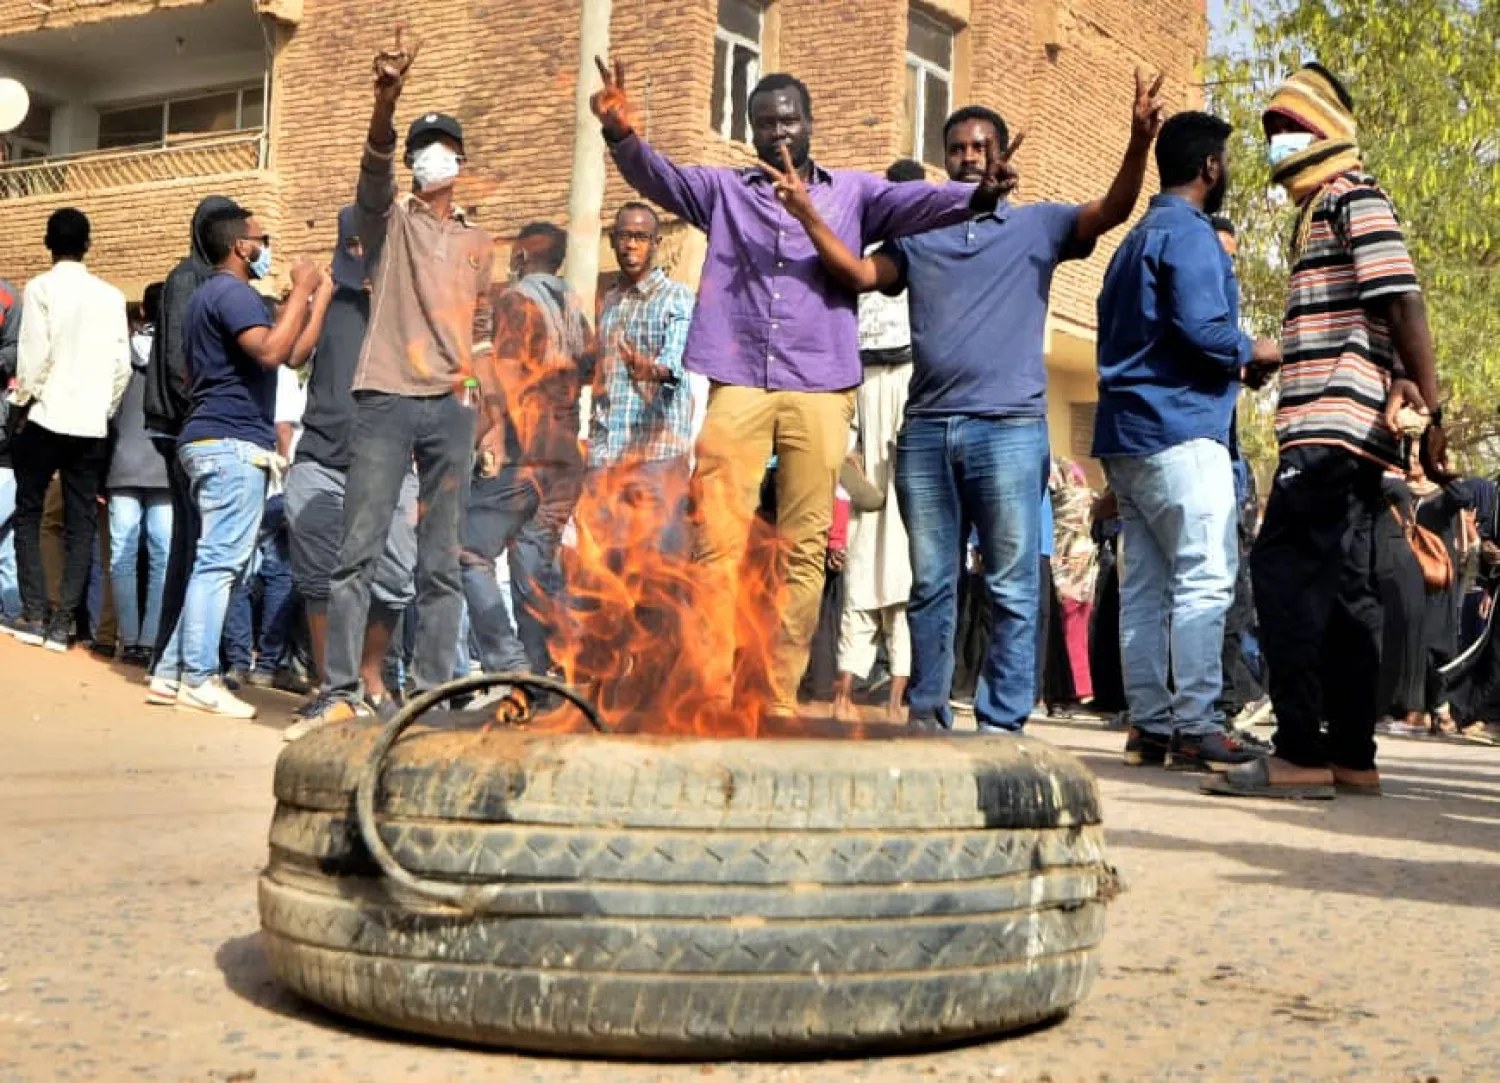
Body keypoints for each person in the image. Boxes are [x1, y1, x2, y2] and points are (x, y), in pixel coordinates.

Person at [591, 58, 1013, 720]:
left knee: (803, 547)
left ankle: (776, 696)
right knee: (717, 541)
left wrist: (981, 195)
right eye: (765, 124)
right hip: (738, 385)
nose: (779, 133)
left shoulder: (854, 195)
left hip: (821, 385)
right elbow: (661, 178)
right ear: (751, 133)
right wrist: (621, 135)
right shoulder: (724, 191)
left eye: (789, 119)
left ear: (810, 123)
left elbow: (922, 201)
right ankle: (710, 691)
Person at [774, 73, 1165, 732]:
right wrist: (808, 215)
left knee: (1012, 584)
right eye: (957, 148)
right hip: (926, 433)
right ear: (943, 157)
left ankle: (1001, 727)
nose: (969, 156)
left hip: (1009, 431)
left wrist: (1137, 140)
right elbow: (860, 274)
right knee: (930, 583)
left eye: (982, 146)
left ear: (1002, 154)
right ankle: (927, 716)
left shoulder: (1040, 226)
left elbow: (1113, 209)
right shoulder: (920, 236)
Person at [1208, 63, 1444, 799]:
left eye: (1293, 130)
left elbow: (1403, 300)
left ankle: (1300, 749)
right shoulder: (1319, 211)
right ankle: (1351, 755)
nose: (1281, 145)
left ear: (1328, 133)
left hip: (1333, 426)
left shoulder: (1354, 196)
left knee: (1282, 575)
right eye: (1273, 131)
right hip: (1340, 431)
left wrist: (1430, 409)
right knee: (1345, 594)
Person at [314, 27, 495, 726]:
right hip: (386, 397)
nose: (430, 158)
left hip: (451, 407)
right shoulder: (388, 222)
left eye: (440, 147)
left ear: (461, 161)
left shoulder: (479, 242)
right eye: (421, 149)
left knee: (441, 559)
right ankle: (341, 691)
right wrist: (385, 102)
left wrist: (481, 412)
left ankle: (428, 692)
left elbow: (478, 336)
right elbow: (372, 168)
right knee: (357, 550)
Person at [1092, 110, 1279, 772]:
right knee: (1204, 576)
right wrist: (1254, 349)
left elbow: (1158, 332)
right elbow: (1201, 327)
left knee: (1144, 583)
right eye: (1224, 163)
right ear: (1209, 168)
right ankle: (1198, 725)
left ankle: (1149, 724)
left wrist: (1233, 359)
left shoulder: (1132, 241)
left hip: (1126, 434)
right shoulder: (1191, 235)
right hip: (1180, 430)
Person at [150, 204, 329, 718]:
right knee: (221, 563)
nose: (266, 245)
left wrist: (316, 301)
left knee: (214, 561)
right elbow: (273, 350)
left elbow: (290, 356)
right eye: (261, 237)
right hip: (230, 443)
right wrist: (300, 288)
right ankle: (200, 678)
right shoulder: (231, 293)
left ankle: (170, 673)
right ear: (241, 247)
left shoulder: (218, 296)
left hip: (214, 441)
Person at [281, 207, 420, 737]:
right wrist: (315, 294)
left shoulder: (409, 304)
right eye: (354, 244)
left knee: (395, 576)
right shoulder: (330, 298)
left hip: (389, 463)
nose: (362, 253)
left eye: (373, 244)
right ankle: (329, 689)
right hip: (320, 458)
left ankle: (369, 676)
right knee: (320, 579)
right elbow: (292, 352)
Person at [461, 222, 593, 688]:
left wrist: (490, 434)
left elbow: (508, 377)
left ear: (520, 255)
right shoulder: (573, 307)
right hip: (565, 457)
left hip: (528, 454)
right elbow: (592, 367)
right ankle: (540, 680)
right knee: (532, 571)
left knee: (468, 551)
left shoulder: (517, 302)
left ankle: (507, 662)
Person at [9, 208, 131, 650]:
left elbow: (35, 357)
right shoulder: (112, 296)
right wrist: (104, 407)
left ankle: (35, 612)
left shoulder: (40, 288)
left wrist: (23, 403)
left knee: (30, 512)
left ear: (48, 243)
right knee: (81, 523)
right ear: (87, 245)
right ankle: (64, 625)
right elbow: (121, 367)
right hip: (90, 422)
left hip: (45, 414)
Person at [831, 158, 924, 725]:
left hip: (914, 404)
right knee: (865, 551)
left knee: (908, 558)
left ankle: (897, 692)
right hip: (865, 398)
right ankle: (845, 685)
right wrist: (846, 436)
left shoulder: (938, 264)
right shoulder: (866, 266)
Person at [143, 195, 242, 676]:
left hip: (192, 426)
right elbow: (182, 364)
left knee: (199, 548)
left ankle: (186, 656)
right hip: (188, 428)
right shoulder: (189, 279)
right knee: (194, 549)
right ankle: (176, 658)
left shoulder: (203, 279)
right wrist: (204, 413)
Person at [582, 202, 696, 553]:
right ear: (612, 241)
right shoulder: (611, 301)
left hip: (655, 459)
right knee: (606, 576)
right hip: (607, 459)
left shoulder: (677, 297)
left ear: (656, 242)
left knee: (658, 577)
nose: (630, 245)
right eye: (623, 237)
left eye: (640, 237)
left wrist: (655, 370)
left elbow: (675, 358)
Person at [106, 282, 172, 667]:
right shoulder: (179, 353)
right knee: (163, 554)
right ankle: (151, 640)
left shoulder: (120, 352)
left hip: (121, 463)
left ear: (142, 312)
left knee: (123, 555)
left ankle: (129, 640)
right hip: (164, 465)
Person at [0, 271, 22, 624]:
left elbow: (17, 349)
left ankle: (14, 609)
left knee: (7, 541)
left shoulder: (8, 295)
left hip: (5, 439)